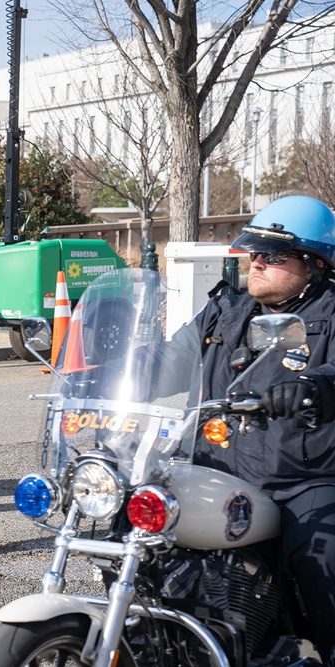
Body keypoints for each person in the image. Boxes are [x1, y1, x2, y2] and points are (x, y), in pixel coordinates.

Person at [151, 196, 335, 665]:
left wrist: (313, 385)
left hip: (297, 480)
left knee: (321, 560)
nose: (257, 261)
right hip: (214, 468)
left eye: (273, 255)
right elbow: (168, 362)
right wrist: (96, 373)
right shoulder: (224, 312)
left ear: (314, 265)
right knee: (131, 527)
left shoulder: (332, 317)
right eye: (255, 251)